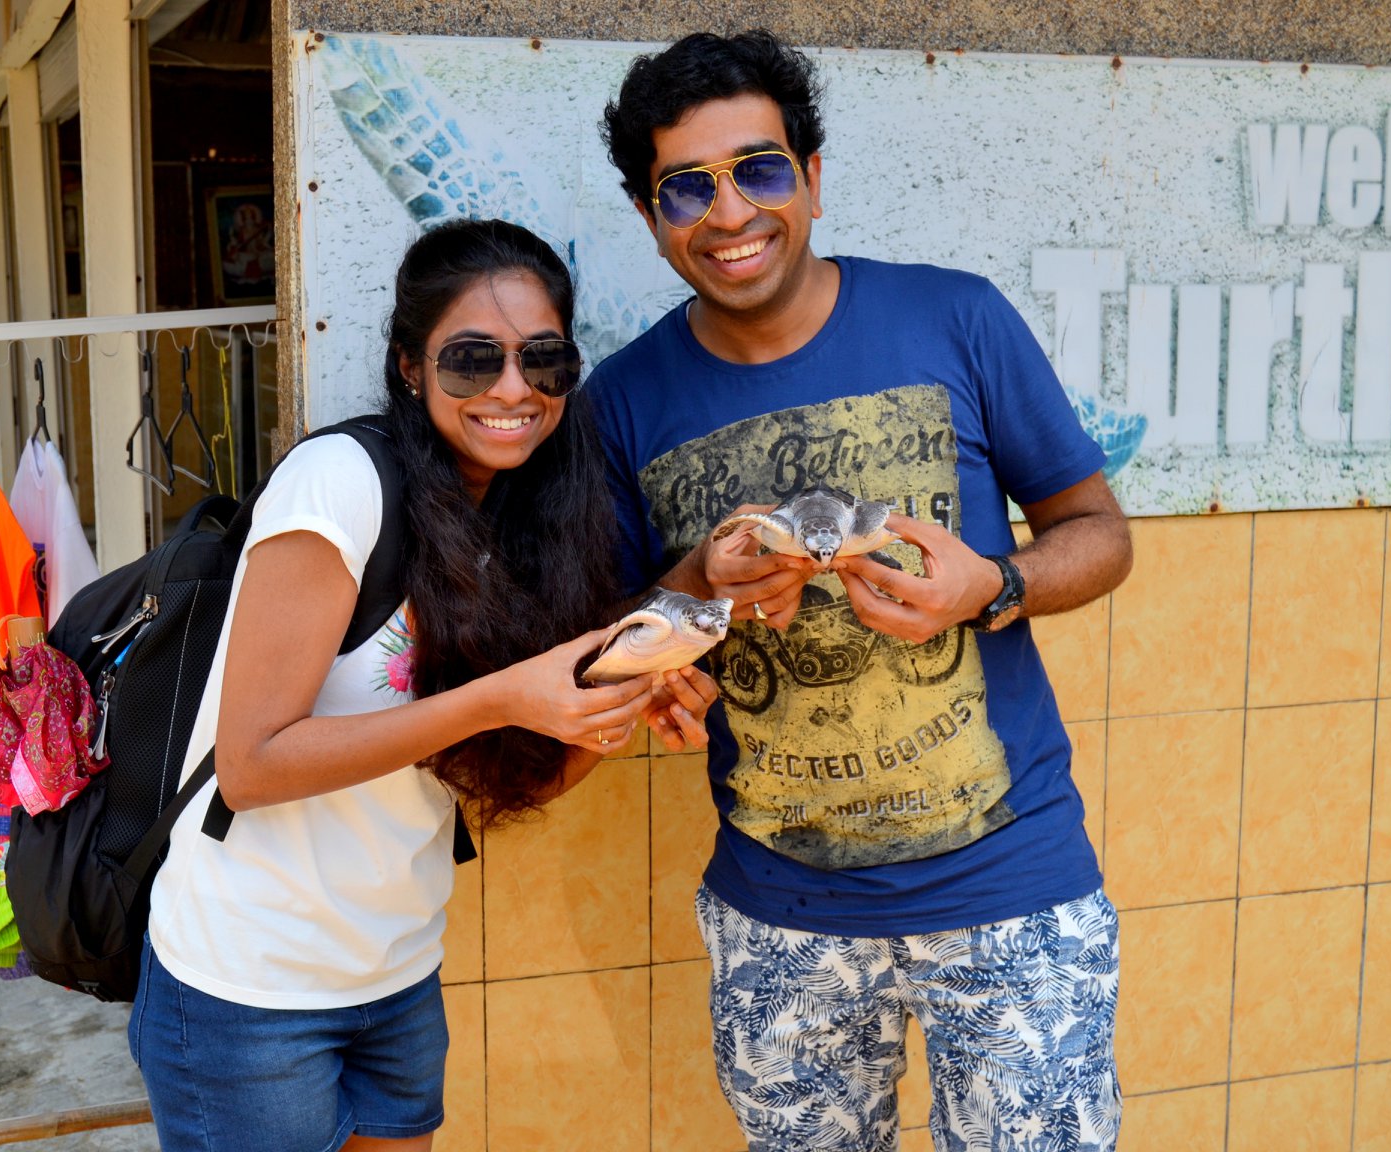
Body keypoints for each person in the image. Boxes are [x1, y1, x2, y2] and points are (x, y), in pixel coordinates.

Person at [591, 31, 1133, 1152]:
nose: (730, 212)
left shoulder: (956, 319)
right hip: (780, 919)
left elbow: (1100, 535)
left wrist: (994, 584)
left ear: (812, 178)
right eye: (687, 187)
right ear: (651, 218)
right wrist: (697, 591)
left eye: (759, 169)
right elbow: (616, 638)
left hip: (1012, 892)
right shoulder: (622, 401)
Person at [132, 218, 718, 1152]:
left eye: (543, 360)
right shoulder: (340, 483)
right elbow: (251, 765)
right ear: (410, 366)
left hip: (398, 972)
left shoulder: (528, 519)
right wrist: (502, 696)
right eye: (472, 360)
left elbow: (518, 779)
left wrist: (621, 695)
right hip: (251, 989)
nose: (513, 389)